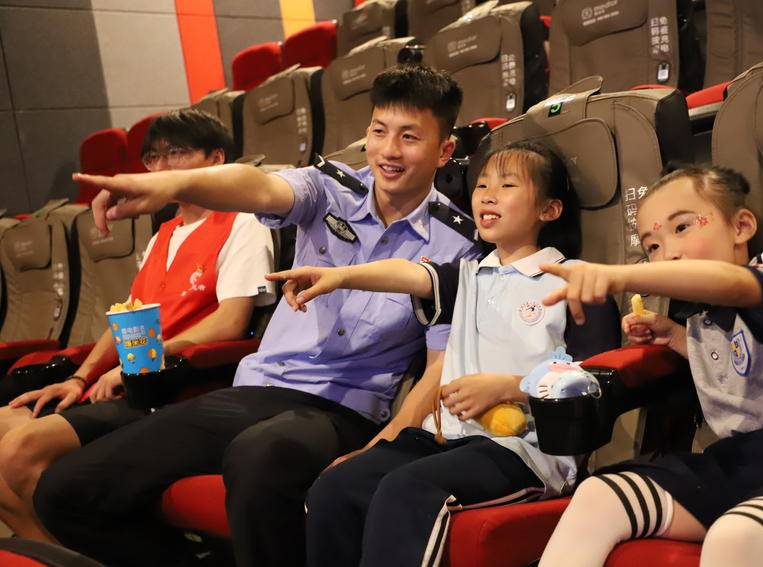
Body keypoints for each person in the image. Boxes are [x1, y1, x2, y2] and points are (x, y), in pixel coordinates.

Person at [32, 64, 479, 567]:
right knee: (65, 491)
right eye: (379, 131)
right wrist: (176, 183)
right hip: (253, 391)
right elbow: (258, 187)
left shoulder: (458, 244)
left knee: (261, 454)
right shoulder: (330, 188)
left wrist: (382, 446)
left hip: (342, 410)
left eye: (409, 137)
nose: (388, 151)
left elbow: (440, 365)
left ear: (444, 150)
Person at [272, 141, 621, 567]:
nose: (487, 196)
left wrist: (508, 388)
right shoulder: (469, 275)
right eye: (482, 185)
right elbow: (407, 273)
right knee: (337, 487)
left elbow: (596, 383)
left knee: (406, 489)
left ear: (549, 210)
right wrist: (339, 276)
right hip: (445, 439)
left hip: (525, 452)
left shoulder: (575, 281)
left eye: (507, 185)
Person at [535, 166, 763, 567]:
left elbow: (732, 283)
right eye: (652, 246)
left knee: (736, 537)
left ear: (741, 226)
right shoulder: (702, 322)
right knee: (597, 495)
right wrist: (673, 335)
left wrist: (618, 276)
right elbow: (729, 352)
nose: (667, 253)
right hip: (738, 462)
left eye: (682, 227)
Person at [0, 109, 275, 542]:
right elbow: (129, 319)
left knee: (19, 451)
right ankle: (60, 554)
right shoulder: (163, 234)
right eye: (153, 158)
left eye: (176, 153)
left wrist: (148, 356)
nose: (161, 168)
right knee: (3, 425)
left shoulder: (242, 222)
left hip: (178, 385)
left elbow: (231, 322)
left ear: (216, 158)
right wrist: (78, 378)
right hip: (131, 379)